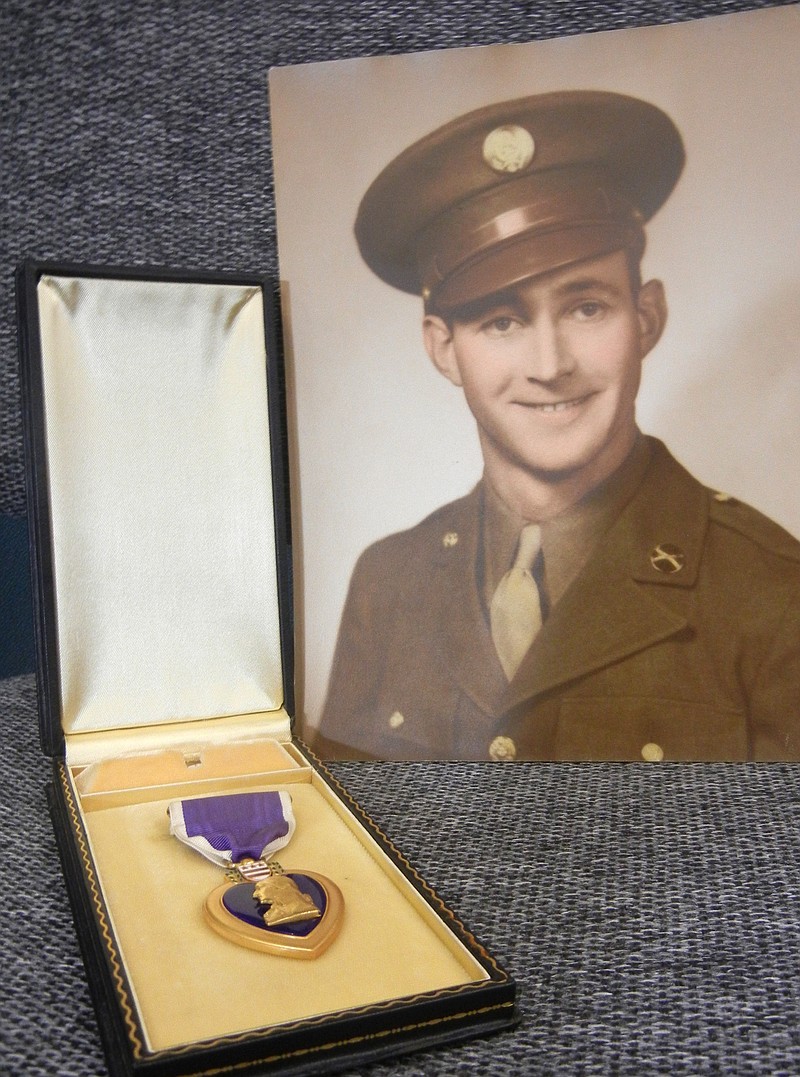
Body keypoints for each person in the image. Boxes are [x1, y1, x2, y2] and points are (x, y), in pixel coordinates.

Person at [314, 91, 800, 762]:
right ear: (443, 348)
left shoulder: (772, 591)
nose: (549, 365)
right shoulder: (388, 582)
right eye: (502, 321)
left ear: (647, 317)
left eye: (587, 308)